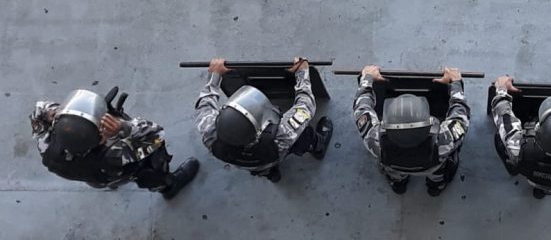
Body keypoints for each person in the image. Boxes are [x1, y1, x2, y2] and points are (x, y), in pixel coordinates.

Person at [31, 87, 198, 198]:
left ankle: (108, 184)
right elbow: (156, 136)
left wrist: (59, 115)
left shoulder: (46, 146)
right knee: (151, 168)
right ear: (102, 138)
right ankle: (167, 187)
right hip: (111, 170)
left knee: (95, 176)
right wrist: (124, 128)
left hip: (88, 175)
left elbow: (38, 110)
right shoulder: (114, 154)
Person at [193, 57, 333, 183]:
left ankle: (270, 173)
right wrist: (302, 73)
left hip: (248, 161)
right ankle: (318, 147)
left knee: (259, 167)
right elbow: (306, 106)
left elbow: (204, 105)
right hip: (276, 152)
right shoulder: (281, 136)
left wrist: (214, 75)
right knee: (304, 134)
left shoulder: (209, 132)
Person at [353, 65, 470, 196]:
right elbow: (460, 114)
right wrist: (456, 82)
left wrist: (367, 78)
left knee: (393, 173)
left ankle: (398, 184)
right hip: (432, 166)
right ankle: (435, 186)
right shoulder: (443, 141)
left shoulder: (375, 140)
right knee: (440, 171)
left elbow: (362, 109)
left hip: (393, 166)